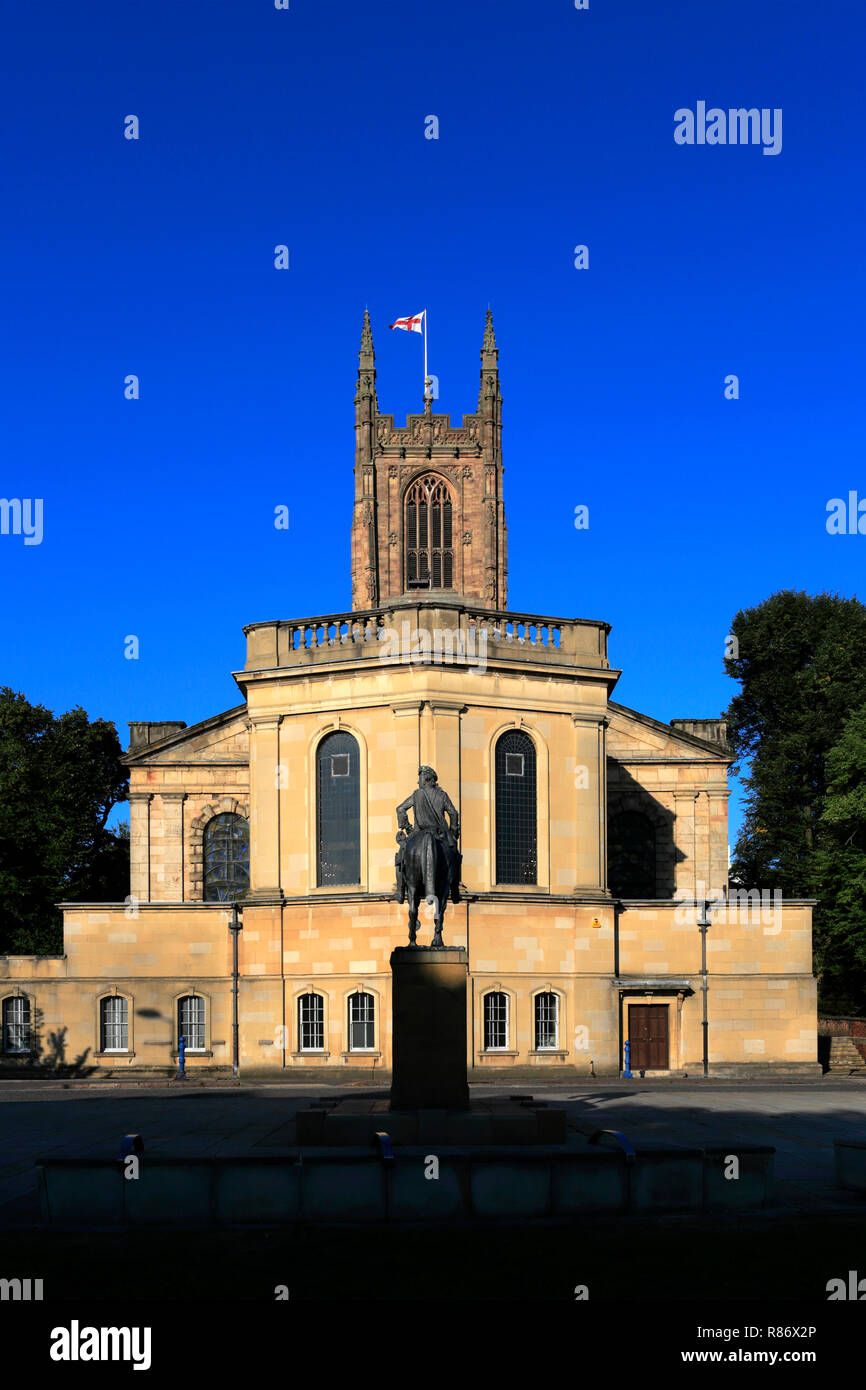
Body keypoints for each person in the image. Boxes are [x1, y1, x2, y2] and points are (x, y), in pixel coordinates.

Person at [395, 765, 462, 903]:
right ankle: (455, 890)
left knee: (401, 855)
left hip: (419, 833)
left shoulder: (416, 795)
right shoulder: (442, 795)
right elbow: (453, 813)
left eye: (420, 778)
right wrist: (453, 832)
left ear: (426, 779)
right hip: (440, 834)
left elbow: (400, 809)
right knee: (455, 856)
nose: (418, 782)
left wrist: (408, 828)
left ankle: (400, 891)